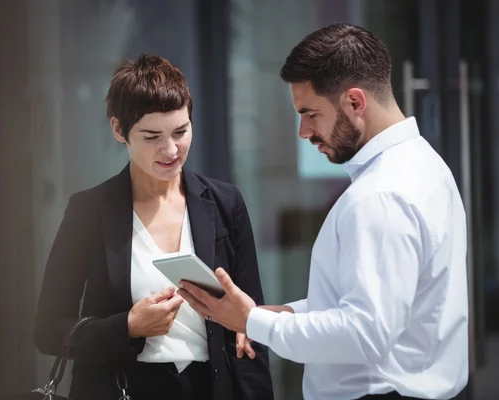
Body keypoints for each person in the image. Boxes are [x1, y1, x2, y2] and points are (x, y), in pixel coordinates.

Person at [179, 22, 469, 400]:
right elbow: (377, 306)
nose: (303, 131)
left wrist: (251, 321)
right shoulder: (425, 164)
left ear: (354, 102)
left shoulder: (379, 196)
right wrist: (282, 314)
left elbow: (364, 333)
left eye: (310, 113)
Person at [34, 54, 273, 400]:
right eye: (151, 137)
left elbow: (253, 326)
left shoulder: (225, 203)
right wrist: (128, 328)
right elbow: (48, 330)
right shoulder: (88, 211)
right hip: (124, 389)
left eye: (181, 131)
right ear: (119, 130)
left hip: (210, 387)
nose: (171, 149)